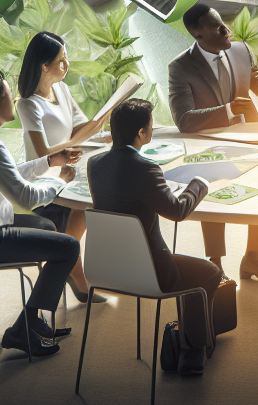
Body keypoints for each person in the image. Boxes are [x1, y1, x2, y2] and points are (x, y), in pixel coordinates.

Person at [88, 98, 221, 377]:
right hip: (150, 271)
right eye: (150, 126)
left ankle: (191, 344)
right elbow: (177, 211)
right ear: (141, 133)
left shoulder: (95, 164)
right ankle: (192, 351)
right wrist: (199, 185)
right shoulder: (147, 168)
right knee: (208, 273)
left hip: (108, 268)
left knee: (192, 270)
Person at [0, 71, 82, 357]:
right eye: (10, 94)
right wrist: (60, 181)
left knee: (48, 227)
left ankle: (33, 320)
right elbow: (24, 198)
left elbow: (11, 174)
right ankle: (23, 326)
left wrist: (49, 161)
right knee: (70, 246)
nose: (15, 98)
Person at [167, 3, 258, 283]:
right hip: (211, 149)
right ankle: (216, 267)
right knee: (213, 194)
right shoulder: (180, 68)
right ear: (196, 32)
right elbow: (184, 120)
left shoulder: (240, 50)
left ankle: (253, 259)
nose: (226, 29)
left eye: (223, 22)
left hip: (251, 139)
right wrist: (230, 111)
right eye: (216, 25)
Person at [15, 31, 104, 304]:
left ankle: (66, 253)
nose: (67, 66)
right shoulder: (28, 104)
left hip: (71, 172)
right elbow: (42, 153)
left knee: (96, 197)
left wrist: (102, 126)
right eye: (62, 61)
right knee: (87, 203)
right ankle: (73, 269)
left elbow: (81, 127)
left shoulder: (62, 90)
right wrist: (79, 140)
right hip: (44, 180)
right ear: (44, 66)